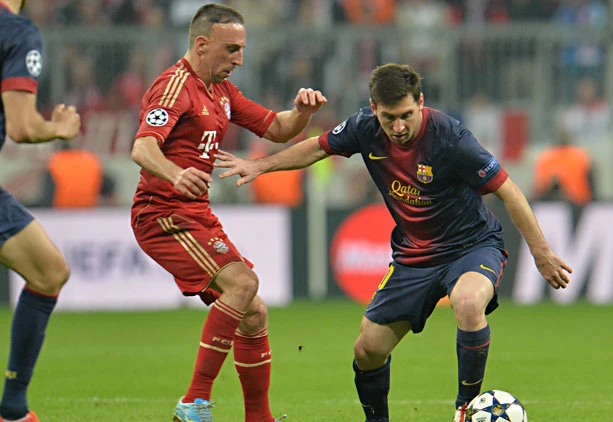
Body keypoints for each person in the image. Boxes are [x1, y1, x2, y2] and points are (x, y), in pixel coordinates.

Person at [213, 63, 573, 422]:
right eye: (389, 118)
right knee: (368, 350)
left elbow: (509, 191)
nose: (398, 127)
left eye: (406, 116)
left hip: (472, 246)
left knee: (466, 302)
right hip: (413, 257)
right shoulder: (364, 128)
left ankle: (465, 408)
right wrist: (261, 165)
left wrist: (541, 252)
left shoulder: (451, 137)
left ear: (420, 102)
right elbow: (317, 148)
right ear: (374, 108)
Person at [129, 4, 326, 422]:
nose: (240, 59)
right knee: (243, 283)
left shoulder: (221, 92)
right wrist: (175, 173)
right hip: (162, 214)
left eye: (242, 49)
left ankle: (259, 417)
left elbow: (277, 128)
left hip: (194, 213)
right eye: (232, 49)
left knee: (253, 312)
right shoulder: (174, 87)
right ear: (202, 44)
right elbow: (142, 147)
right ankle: (194, 401)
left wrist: (303, 113)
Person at [0, 1, 82, 421]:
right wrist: (59, 128)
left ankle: (13, 409)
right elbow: (22, 127)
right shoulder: (15, 31)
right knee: (48, 273)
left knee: (49, 271)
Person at [532, 124, 595, 206]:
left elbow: (538, 188)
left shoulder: (544, 157)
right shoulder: (580, 156)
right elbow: (591, 181)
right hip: (579, 202)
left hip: (548, 205)